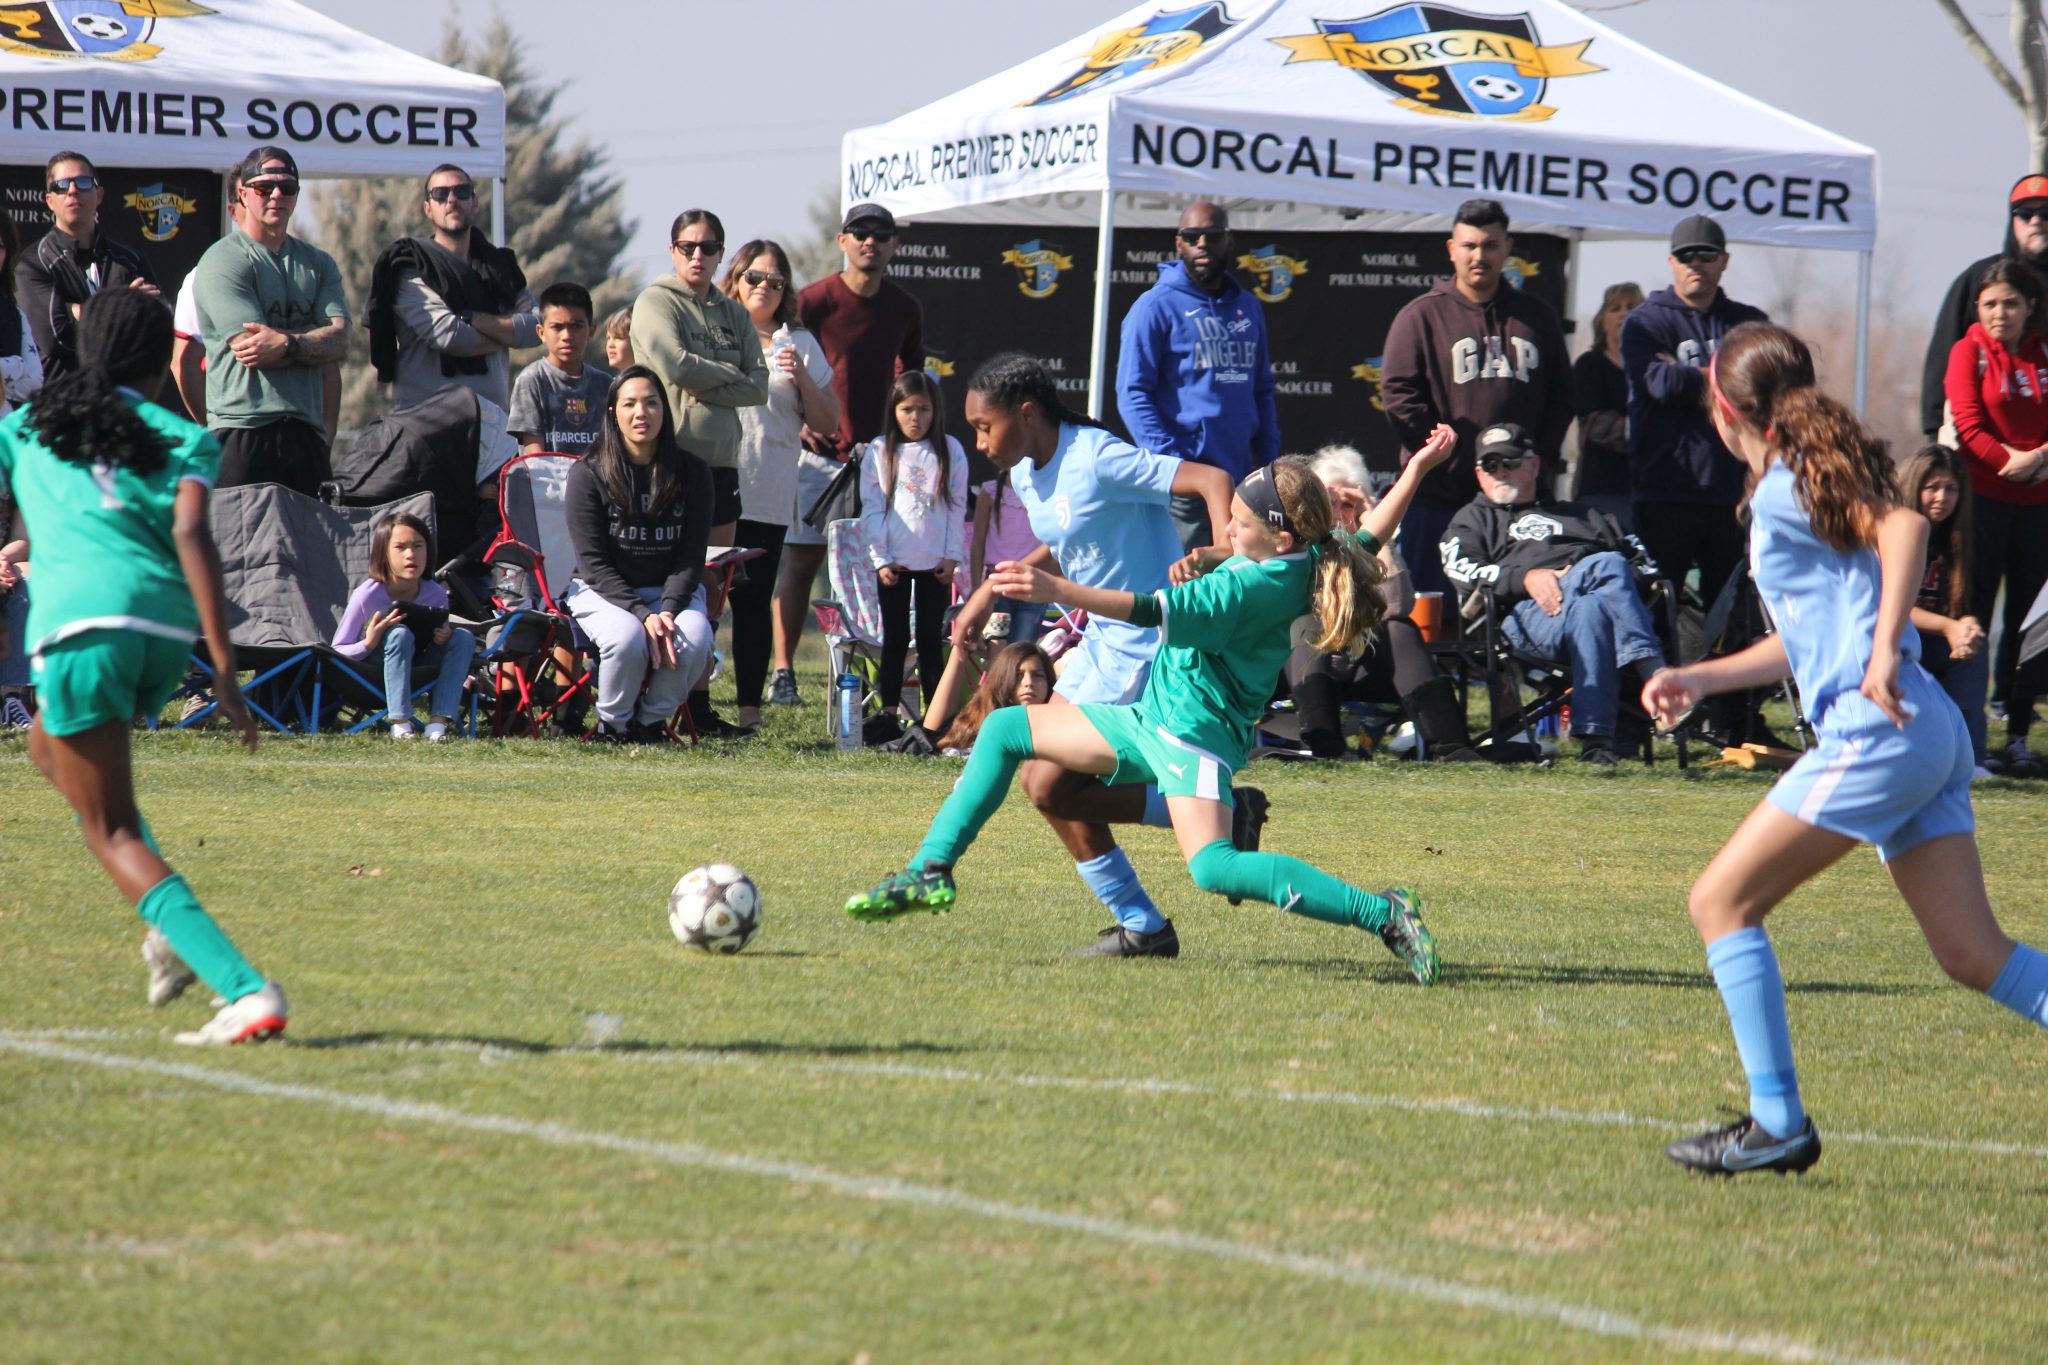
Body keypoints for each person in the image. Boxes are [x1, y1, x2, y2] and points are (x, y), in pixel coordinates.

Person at [1643, 320, 2048, 1177]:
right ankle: (1776, 1122)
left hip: (1881, 730)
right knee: (1975, 955)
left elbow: (1904, 529)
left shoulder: (1790, 483)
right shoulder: (1800, 479)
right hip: (1924, 727)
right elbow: (1807, 635)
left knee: (1720, 903)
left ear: (1726, 408)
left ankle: (1777, 1123)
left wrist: (1880, 648)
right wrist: (1703, 679)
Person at [846, 443, 1457, 987]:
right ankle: (929, 869)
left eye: (1240, 524)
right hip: (1149, 719)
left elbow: (1141, 609)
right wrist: (1416, 471)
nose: (1229, 530)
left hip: (1193, 739)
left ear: (1280, 539)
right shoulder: (1315, 558)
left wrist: (1059, 591)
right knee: (1007, 729)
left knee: (1216, 869)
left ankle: (1384, 912)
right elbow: (1370, 535)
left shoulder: (1242, 592)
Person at [0, 287, 286, 1045]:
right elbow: (193, 530)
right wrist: (224, 665)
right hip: (164, 631)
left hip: (82, 630)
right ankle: (167, 924)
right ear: (159, 362)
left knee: (109, 828)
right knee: (44, 747)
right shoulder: (179, 433)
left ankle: (245, 987)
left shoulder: (26, 426)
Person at [941, 353, 1237, 957]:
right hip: (1101, 647)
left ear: (1026, 415)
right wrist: (986, 593)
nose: (977, 442)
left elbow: (1211, 480)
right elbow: (1068, 540)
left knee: (1046, 781)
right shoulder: (1026, 469)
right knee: (1046, 786)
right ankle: (1145, 923)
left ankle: (1168, 886)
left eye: (983, 427)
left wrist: (1220, 555)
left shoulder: (1098, 458)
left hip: (1150, 649)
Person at [1622, 214, 1773, 746]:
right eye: (1686, 256)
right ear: (1671, 262)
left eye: (1706, 256)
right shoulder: (1647, 320)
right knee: (1650, 611)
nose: (1696, 265)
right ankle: (1638, 725)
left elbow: (1771, 384)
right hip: (1665, 490)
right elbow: (1659, 382)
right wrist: (1728, 376)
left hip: (1734, 496)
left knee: (1737, 617)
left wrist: (1699, 378)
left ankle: (1734, 725)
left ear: (1723, 261)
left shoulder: (1749, 323)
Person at [1440, 422, 1665, 765]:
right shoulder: (1471, 520)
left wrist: (1581, 578)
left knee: (1595, 601)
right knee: (1606, 564)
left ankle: (1596, 744)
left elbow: (1646, 567)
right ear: (1478, 472)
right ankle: (1658, 680)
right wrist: (1524, 577)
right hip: (1523, 620)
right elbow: (1462, 570)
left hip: (1594, 614)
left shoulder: (1588, 515)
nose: (1500, 472)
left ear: (1534, 464)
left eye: (1510, 462)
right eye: (1490, 465)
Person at [1380, 198, 1571, 598]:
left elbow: (1562, 396)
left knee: (1517, 614)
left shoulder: (1538, 316)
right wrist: (1450, 458)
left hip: (1519, 504)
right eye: (1469, 245)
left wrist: (1537, 461)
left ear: (1508, 248)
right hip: (1438, 501)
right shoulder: (1421, 316)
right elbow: (1399, 397)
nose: (1479, 255)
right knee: (1433, 620)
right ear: (1452, 249)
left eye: (1490, 245)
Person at [780, 203, 924, 700]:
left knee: (878, 570)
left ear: (894, 245)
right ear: (842, 241)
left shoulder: (904, 307)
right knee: (800, 563)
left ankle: (872, 672)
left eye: (881, 234)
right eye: (860, 232)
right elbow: (787, 366)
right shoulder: (814, 301)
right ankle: (784, 672)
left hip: (877, 462)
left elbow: (914, 382)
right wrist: (800, 423)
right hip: (818, 457)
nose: (871, 242)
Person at [1285, 444, 1484, 763]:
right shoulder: (1296, 546)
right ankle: (1328, 747)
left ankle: (1451, 746)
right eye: (1329, 502)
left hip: (1362, 664)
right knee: (1308, 623)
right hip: (1303, 667)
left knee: (1399, 628)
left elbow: (1398, 606)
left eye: (1348, 504)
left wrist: (1375, 527)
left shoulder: (1369, 547)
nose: (1338, 513)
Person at [563, 366, 715, 743]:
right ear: (613, 411)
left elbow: (691, 557)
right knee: (627, 639)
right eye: (629, 403)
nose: (641, 413)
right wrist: (641, 613)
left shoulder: (693, 473)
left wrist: (666, 609)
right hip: (603, 593)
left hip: (667, 593)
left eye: (651, 403)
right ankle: (613, 725)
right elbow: (593, 564)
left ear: (665, 411)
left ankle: (649, 724)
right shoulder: (588, 473)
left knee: (696, 636)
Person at [1116, 201, 1279, 551]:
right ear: (1179, 244)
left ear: (1228, 240)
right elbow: (1132, 393)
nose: (1202, 243)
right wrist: (1172, 463)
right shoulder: (1154, 306)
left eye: (1212, 235)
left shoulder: (1248, 306)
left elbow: (1261, 389)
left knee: (1238, 580)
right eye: (1192, 237)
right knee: (1188, 585)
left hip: (1241, 480)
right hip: (1185, 486)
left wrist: (1267, 461)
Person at [722, 241, 837, 727]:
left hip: (768, 490)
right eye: (754, 277)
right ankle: (693, 704)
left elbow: (829, 422)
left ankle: (749, 711)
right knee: (701, 597)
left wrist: (803, 378)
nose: (764, 288)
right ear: (736, 279)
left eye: (775, 281)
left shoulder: (800, 342)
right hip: (715, 482)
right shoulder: (716, 332)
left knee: (752, 604)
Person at [190, 147, 349, 495]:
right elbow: (253, 349)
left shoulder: (319, 263)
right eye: (264, 187)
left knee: (310, 549)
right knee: (242, 549)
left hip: (305, 434)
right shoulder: (222, 259)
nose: (277, 195)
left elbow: (340, 342)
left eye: (287, 187)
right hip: (242, 430)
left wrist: (288, 343)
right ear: (243, 194)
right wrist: (313, 339)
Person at [1943, 257, 2048, 771]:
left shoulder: (2043, 352)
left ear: (2031, 306)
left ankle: (2019, 737)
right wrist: (2011, 461)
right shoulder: (1968, 351)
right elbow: (1966, 421)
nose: (2000, 313)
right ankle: (1966, 736)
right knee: (1974, 614)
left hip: (2039, 508)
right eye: (1990, 304)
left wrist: (2041, 458)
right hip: (1982, 505)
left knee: (2031, 623)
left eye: (2010, 303)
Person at [369, 164, 538, 411]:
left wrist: (471, 318)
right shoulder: (408, 265)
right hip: (426, 423)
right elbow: (450, 335)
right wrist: (507, 333)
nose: (451, 200)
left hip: (492, 422)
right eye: (440, 194)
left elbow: (537, 327)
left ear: (475, 202)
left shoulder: (500, 268)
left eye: (462, 191)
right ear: (428, 208)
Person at [860, 371, 966, 717]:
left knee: (930, 642)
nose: (915, 418)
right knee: (894, 640)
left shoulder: (949, 450)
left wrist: (952, 557)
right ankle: (889, 714)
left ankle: (933, 719)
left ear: (935, 411)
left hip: (934, 566)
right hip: (894, 565)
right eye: (907, 409)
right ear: (894, 410)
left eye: (923, 409)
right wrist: (881, 559)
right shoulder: (879, 450)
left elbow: (956, 508)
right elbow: (872, 509)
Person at [1921, 173, 2048, 439]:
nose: (2036, 221)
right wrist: (1935, 432)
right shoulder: (1981, 278)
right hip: (1982, 448)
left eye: (2046, 212)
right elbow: (1944, 353)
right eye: (2025, 213)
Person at [14, 151, 158, 384]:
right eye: (61, 186)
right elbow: (57, 339)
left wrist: (77, 311)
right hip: (59, 405)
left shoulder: (131, 261)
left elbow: (152, 334)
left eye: (82, 182)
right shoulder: (32, 263)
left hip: (120, 403)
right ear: (49, 200)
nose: (72, 191)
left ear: (99, 194)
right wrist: (121, 307)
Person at [332, 510, 477, 741]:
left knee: (463, 637)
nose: (411, 555)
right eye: (400, 547)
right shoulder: (367, 595)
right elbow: (337, 650)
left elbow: (434, 640)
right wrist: (368, 643)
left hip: (417, 669)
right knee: (398, 633)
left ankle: (437, 726)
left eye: (418, 546)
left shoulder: (436, 594)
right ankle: (400, 724)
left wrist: (442, 638)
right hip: (373, 674)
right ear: (383, 554)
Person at [1900, 444, 1994, 774]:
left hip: (1938, 640)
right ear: (1914, 487)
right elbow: (1890, 607)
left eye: (1951, 489)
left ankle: (1969, 756)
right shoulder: (1894, 531)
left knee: (1974, 653)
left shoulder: (1963, 537)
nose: (1942, 497)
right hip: (1894, 640)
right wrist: (1948, 627)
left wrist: (1965, 628)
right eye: (1933, 487)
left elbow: (1966, 604)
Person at [508, 282, 611, 456]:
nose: (567, 336)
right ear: (541, 333)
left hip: (599, 482)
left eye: (577, 326)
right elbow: (534, 459)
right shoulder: (533, 381)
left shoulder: (605, 385)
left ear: (591, 331)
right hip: (550, 482)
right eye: (557, 327)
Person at [1571, 281, 1641, 526]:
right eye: (1615, 308)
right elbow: (1596, 426)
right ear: (1602, 319)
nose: (1624, 313)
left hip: (1651, 489)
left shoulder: (1653, 366)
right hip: (1602, 488)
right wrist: (1652, 431)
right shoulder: (1589, 366)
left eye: (1632, 307)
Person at [969, 466, 1047, 648]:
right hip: (997, 582)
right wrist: (976, 588)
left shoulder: (1042, 494)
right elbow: (978, 541)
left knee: (1023, 648)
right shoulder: (990, 492)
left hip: (1032, 582)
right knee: (996, 646)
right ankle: (998, 677)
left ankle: (1016, 678)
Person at [935, 640, 1054, 753]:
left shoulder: (1059, 724)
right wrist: (959, 649)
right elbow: (931, 734)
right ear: (1003, 679)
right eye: (1018, 675)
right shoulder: (980, 720)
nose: (1028, 682)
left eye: (1037, 675)